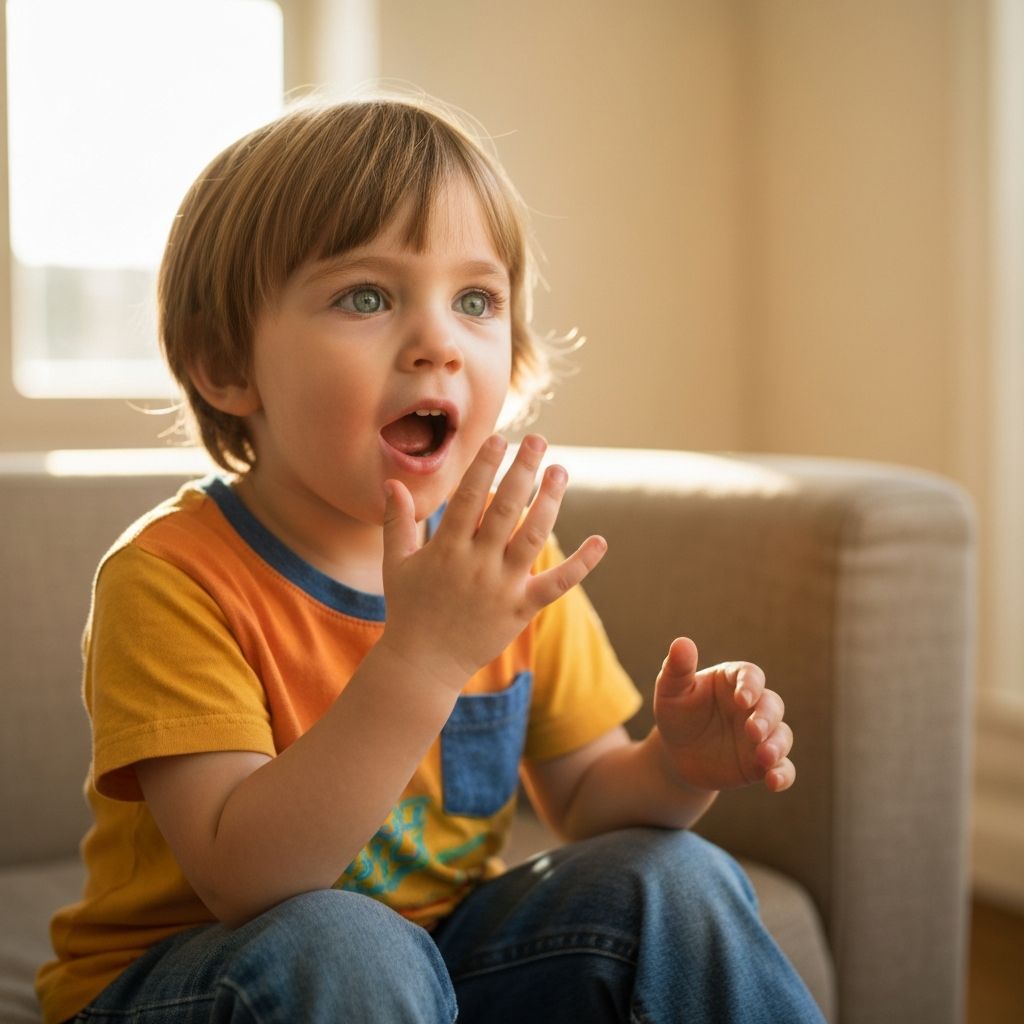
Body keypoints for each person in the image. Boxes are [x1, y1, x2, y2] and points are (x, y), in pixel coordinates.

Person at [37, 95, 826, 1024]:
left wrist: (677, 769)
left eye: (476, 301)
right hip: (202, 981)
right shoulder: (172, 579)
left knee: (671, 875)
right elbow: (246, 879)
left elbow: (584, 800)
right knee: (348, 941)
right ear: (226, 365)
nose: (438, 344)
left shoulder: (500, 559)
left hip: (435, 973)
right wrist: (425, 656)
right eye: (365, 296)